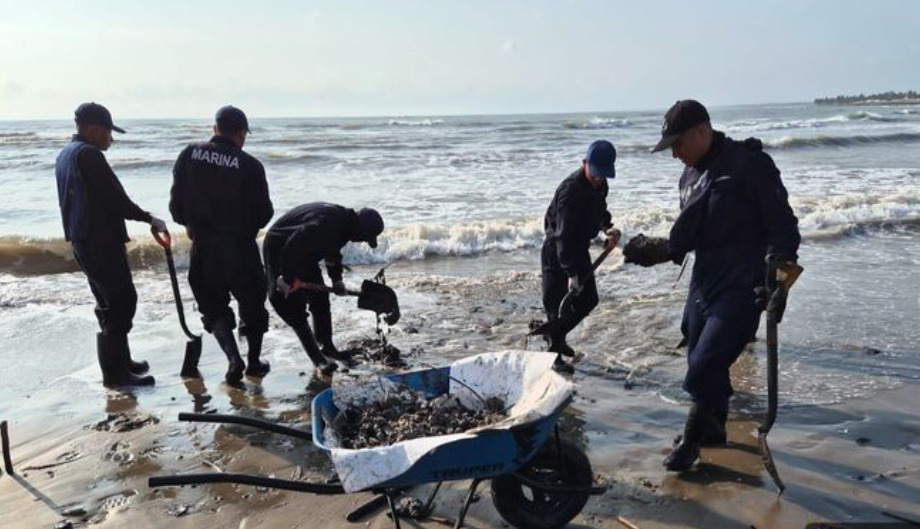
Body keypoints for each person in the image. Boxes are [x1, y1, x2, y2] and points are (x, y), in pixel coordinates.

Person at [623, 100, 801, 471]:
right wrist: (654, 249)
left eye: (677, 144)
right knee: (695, 345)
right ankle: (714, 428)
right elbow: (687, 235)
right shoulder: (688, 177)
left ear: (701, 131)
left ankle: (690, 443)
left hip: (744, 282)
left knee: (704, 366)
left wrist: (782, 282)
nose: (674, 154)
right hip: (705, 279)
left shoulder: (750, 164)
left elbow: (783, 227)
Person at [55, 102, 166, 387]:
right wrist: (148, 218)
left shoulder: (65, 154)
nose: (111, 139)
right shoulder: (89, 156)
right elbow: (114, 199)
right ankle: (115, 375)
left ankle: (120, 363)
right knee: (122, 301)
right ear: (93, 129)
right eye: (108, 132)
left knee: (107, 303)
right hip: (99, 240)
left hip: (82, 240)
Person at [169, 105, 274, 384]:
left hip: (203, 247)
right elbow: (265, 213)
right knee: (252, 304)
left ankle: (232, 359)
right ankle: (253, 362)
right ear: (241, 133)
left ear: (215, 129)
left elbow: (176, 206)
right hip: (241, 247)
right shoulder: (251, 165)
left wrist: (190, 223)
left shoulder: (189, 154)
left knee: (213, 306)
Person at [263, 203, 384, 376]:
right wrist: (287, 278)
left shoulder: (344, 225)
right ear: (359, 228)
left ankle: (327, 347)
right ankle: (318, 360)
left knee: (319, 298)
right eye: (365, 237)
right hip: (280, 247)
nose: (364, 241)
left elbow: (332, 251)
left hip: (304, 251)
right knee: (290, 305)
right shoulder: (325, 223)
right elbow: (293, 245)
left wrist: (337, 280)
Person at [541, 140, 620, 374]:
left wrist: (607, 228)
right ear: (585, 163)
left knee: (588, 300)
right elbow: (562, 237)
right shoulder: (569, 192)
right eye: (595, 174)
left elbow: (600, 210)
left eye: (603, 175)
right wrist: (572, 273)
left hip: (579, 248)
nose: (598, 179)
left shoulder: (601, 184)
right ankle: (553, 355)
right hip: (557, 250)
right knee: (556, 304)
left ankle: (557, 336)